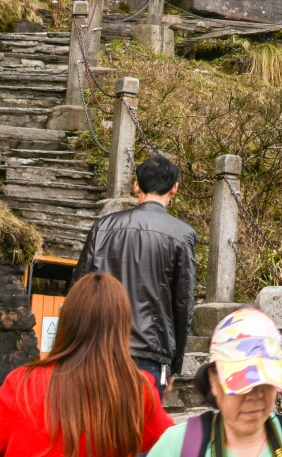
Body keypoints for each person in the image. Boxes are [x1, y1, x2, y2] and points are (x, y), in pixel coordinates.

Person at [0, 272, 172, 457]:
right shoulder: (136, 390)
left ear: (67, 321)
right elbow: (178, 445)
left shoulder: (22, 384)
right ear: (122, 328)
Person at [74, 153, 196, 398]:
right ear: (174, 188)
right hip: (150, 353)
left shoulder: (103, 226)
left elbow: (79, 288)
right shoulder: (182, 235)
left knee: (96, 428)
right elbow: (183, 304)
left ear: (136, 185)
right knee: (142, 431)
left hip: (100, 349)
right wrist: (175, 365)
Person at [147, 307, 282, 457]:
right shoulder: (177, 446)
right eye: (243, 384)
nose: (256, 395)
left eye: (266, 382)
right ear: (214, 381)